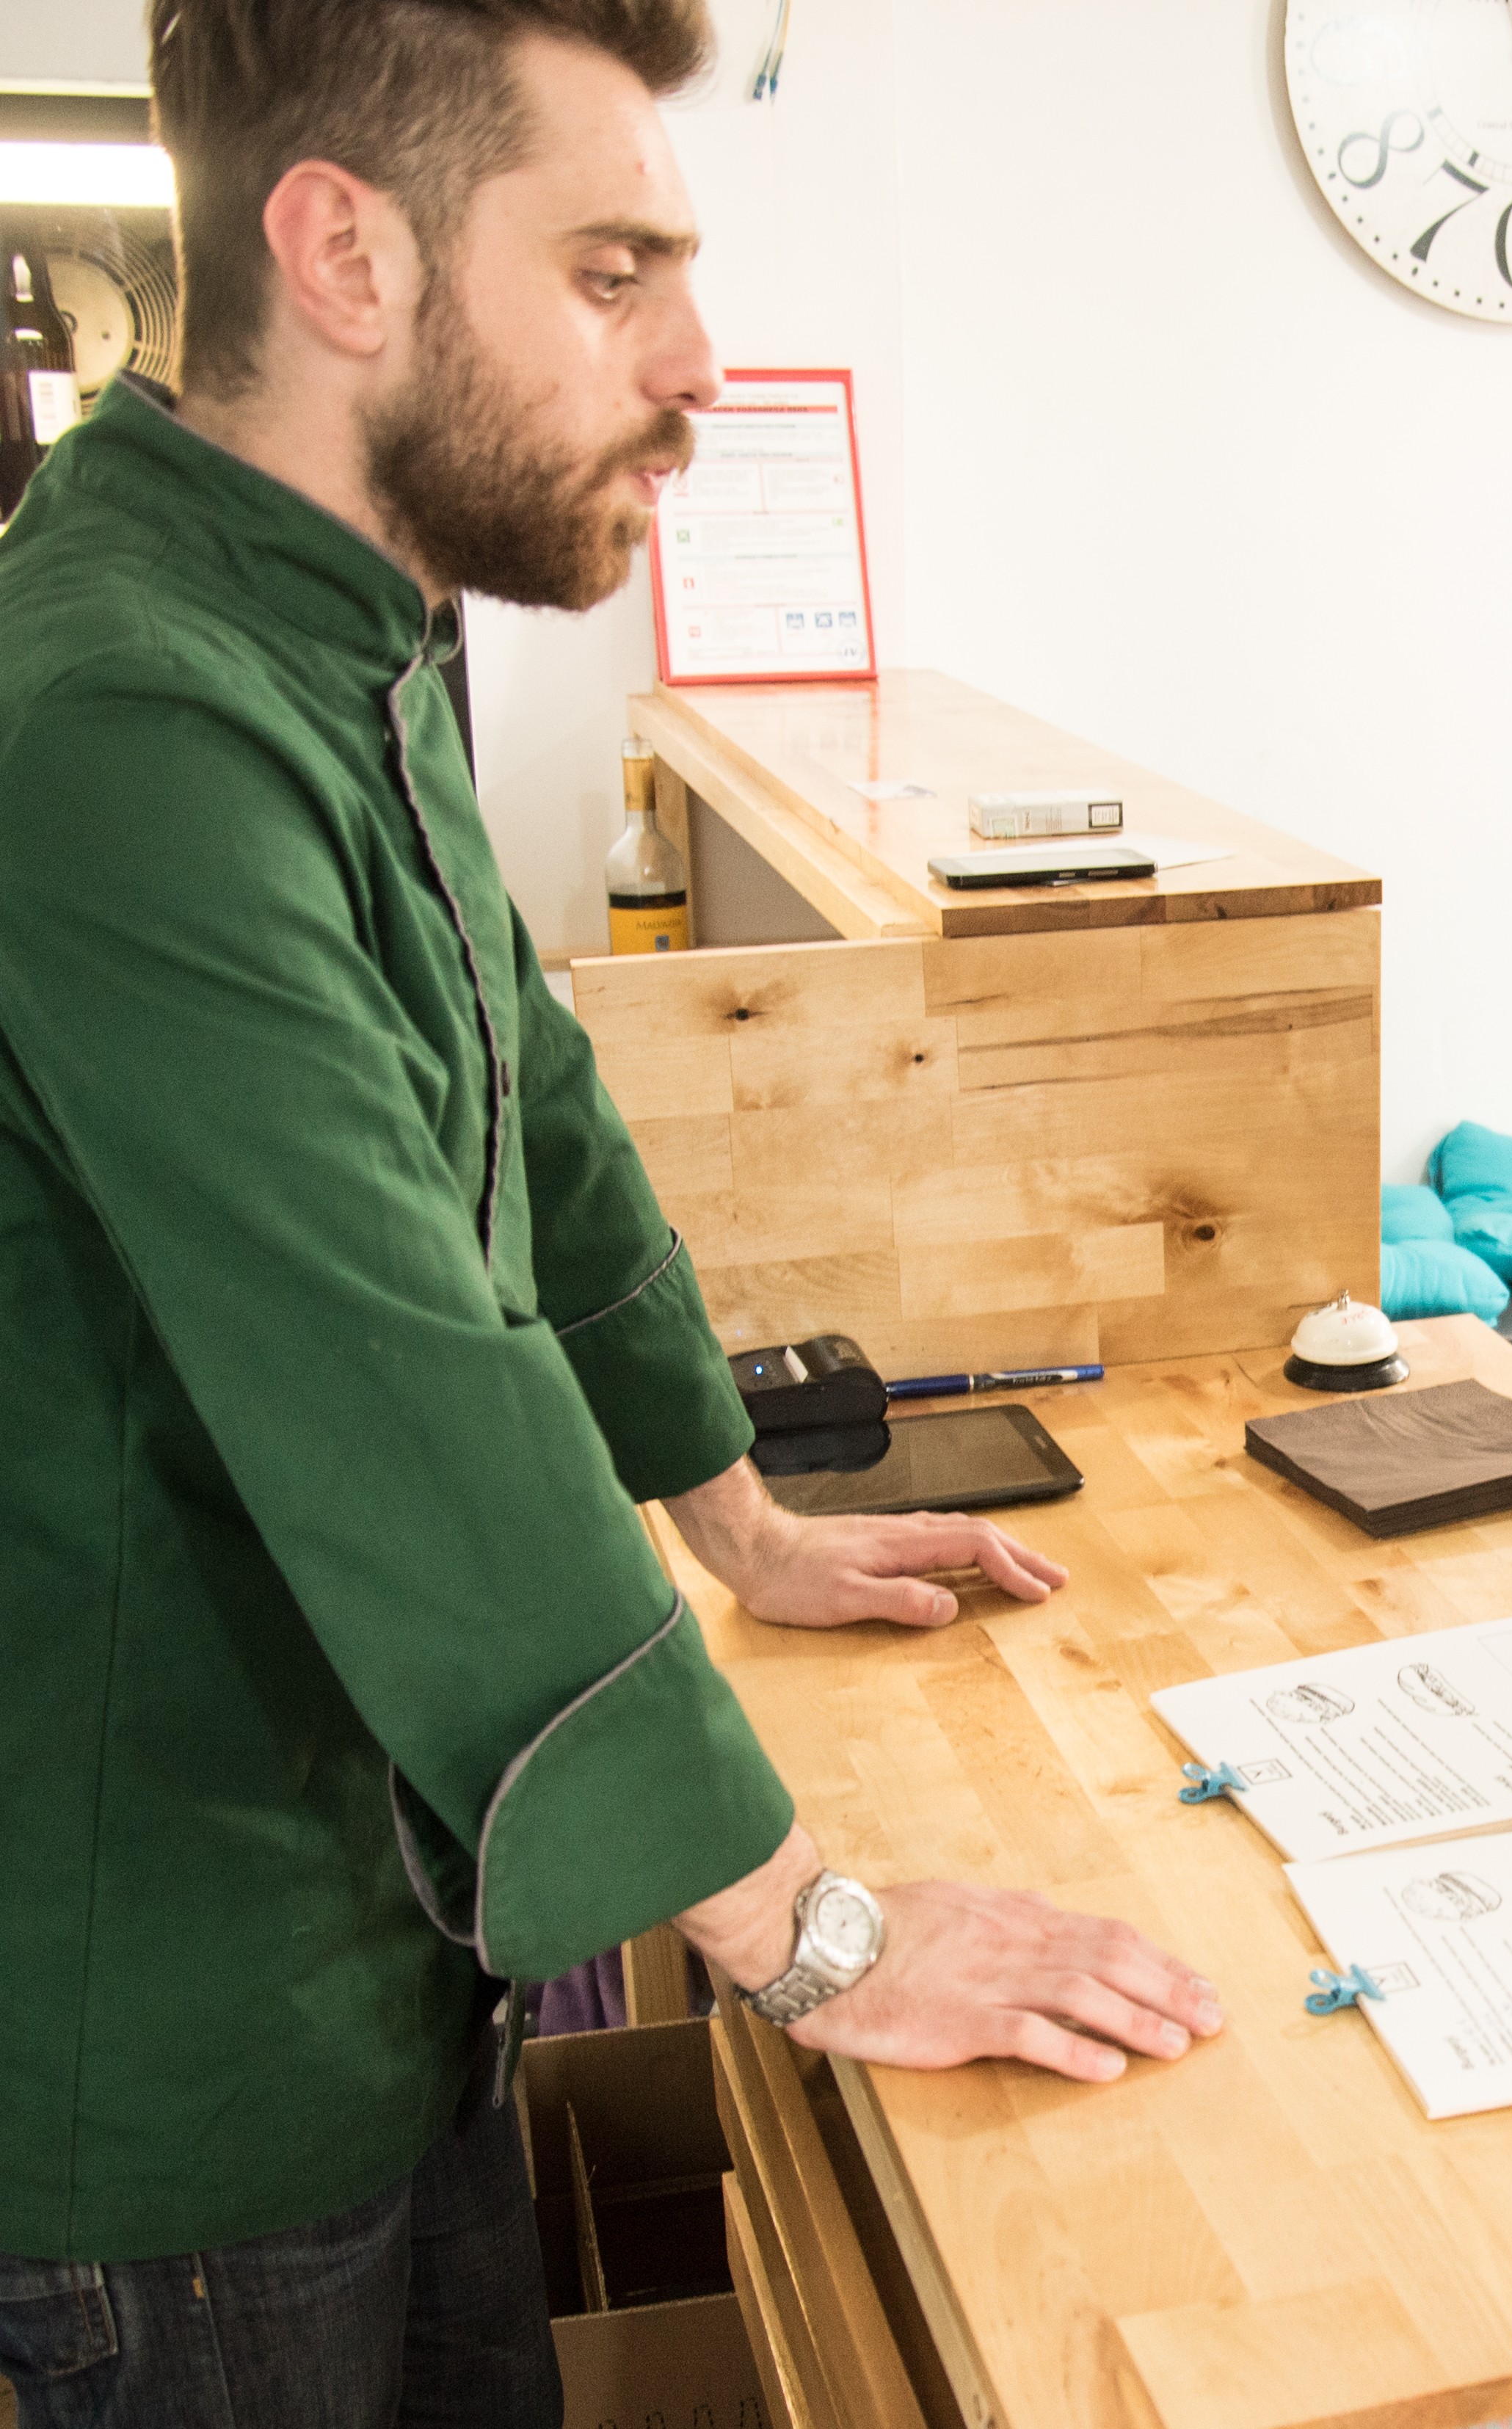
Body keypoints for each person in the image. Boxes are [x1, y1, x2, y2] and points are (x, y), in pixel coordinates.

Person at [0, 6, 1222, 2420]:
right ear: (345, 254)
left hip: (374, 1943)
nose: (693, 361)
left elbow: (529, 1108)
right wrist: (813, 1929)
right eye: (609, 270)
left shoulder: (315, 627)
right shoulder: (127, 719)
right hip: (179, 2053)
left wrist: (738, 1517)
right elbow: (408, 1398)